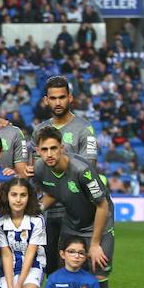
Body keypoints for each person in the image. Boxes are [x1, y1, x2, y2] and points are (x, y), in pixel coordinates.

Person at [34, 126, 115, 288]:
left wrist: (94, 245)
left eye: (53, 148)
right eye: (44, 150)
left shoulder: (83, 170)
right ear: (38, 151)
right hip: (71, 224)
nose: (49, 154)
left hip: (98, 225)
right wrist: (36, 210)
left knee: (97, 279)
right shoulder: (40, 169)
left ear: (62, 148)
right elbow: (53, 192)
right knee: (67, 276)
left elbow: (102, 206)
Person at [30, 76, 99, 276]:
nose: (58, 102)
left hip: (77, 211)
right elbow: (37, 172)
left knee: (77, 269)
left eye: (62, 97)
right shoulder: (39, 131)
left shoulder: (85, 129)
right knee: (51, 270)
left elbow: (88, 169)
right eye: (53, 98)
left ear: (70, 98)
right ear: (46, 100)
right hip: (50, 212)